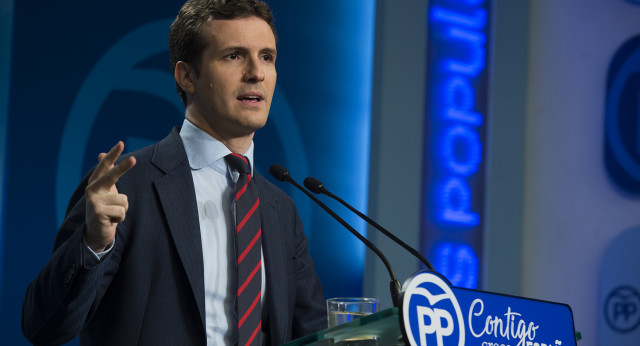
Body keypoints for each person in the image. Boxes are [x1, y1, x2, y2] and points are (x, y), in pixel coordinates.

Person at [21, 0, 326, 344]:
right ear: (186, 76)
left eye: (267, 57)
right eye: (234, 56)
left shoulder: (281, 210)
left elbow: (314, 333)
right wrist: (93, 244)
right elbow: (43, 327)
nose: (256, 72)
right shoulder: (125, 188)